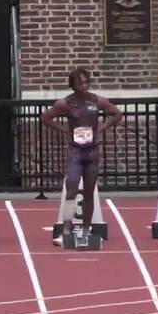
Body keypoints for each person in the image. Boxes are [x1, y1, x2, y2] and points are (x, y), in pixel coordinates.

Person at [40, 67, 123, 245]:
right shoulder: (66, 103)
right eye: (80, 83)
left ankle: (86, 229)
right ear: (73, 85)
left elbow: (117, 113)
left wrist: (100, 129)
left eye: (86, 82)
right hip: (75, 151)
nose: (84, 86)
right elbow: (46, 117)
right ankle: (66, 230)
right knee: (71, 186)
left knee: (89, 191)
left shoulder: (96, 100)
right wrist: (65, 130)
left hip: (92, 150)